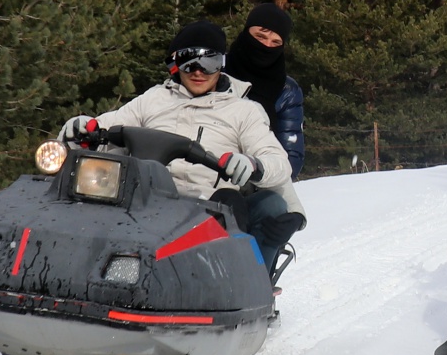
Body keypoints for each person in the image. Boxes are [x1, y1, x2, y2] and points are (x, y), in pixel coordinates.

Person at [59, 20, 305, 274]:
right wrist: (83, 128)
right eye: (189, 61)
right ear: (176, 63)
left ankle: (228, 281)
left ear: (221, 65)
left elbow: (277, 160)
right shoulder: (154, 99)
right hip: (147, 199)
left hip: (207, 208)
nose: (198, 71)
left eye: (209, 62)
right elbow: (108, 124)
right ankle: (78, 269)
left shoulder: (242, 111)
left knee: (242, 202)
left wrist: (253, 164)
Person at [224, 3, 306, 178]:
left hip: (259, 180)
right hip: (204, 173)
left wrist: (258, 174)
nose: (267, 46)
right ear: (247, 33)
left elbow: (291, 156)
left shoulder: (287, 90)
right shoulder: (214, 73)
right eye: (260, 37)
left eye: (276, 42)